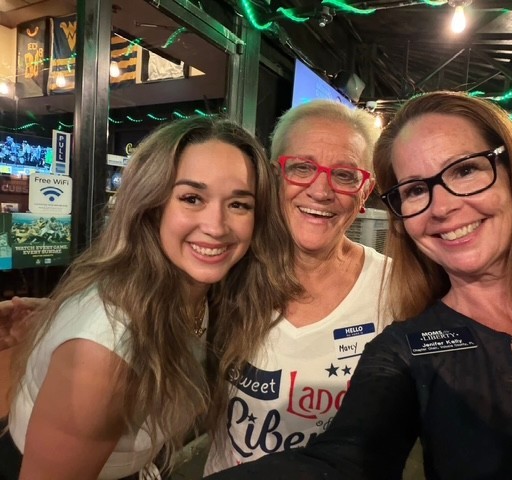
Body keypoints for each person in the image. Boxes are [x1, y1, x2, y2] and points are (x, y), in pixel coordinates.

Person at [205, 91, 512, 480]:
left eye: (465, 170)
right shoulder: (405, 343)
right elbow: (349, 457)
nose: (443, 206)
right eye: (415, 190)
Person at [0, 116, 299, 479]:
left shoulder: (197, 292)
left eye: (239, 204)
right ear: (151, 205)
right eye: (192, 198)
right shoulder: (104, 356)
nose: (216, 226)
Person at [203, 99, 391, 474]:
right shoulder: (229, 269)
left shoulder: (394, 289)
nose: (321, 191)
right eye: (302, 167)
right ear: (275, 177)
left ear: (365, 191)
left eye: (345, 175)